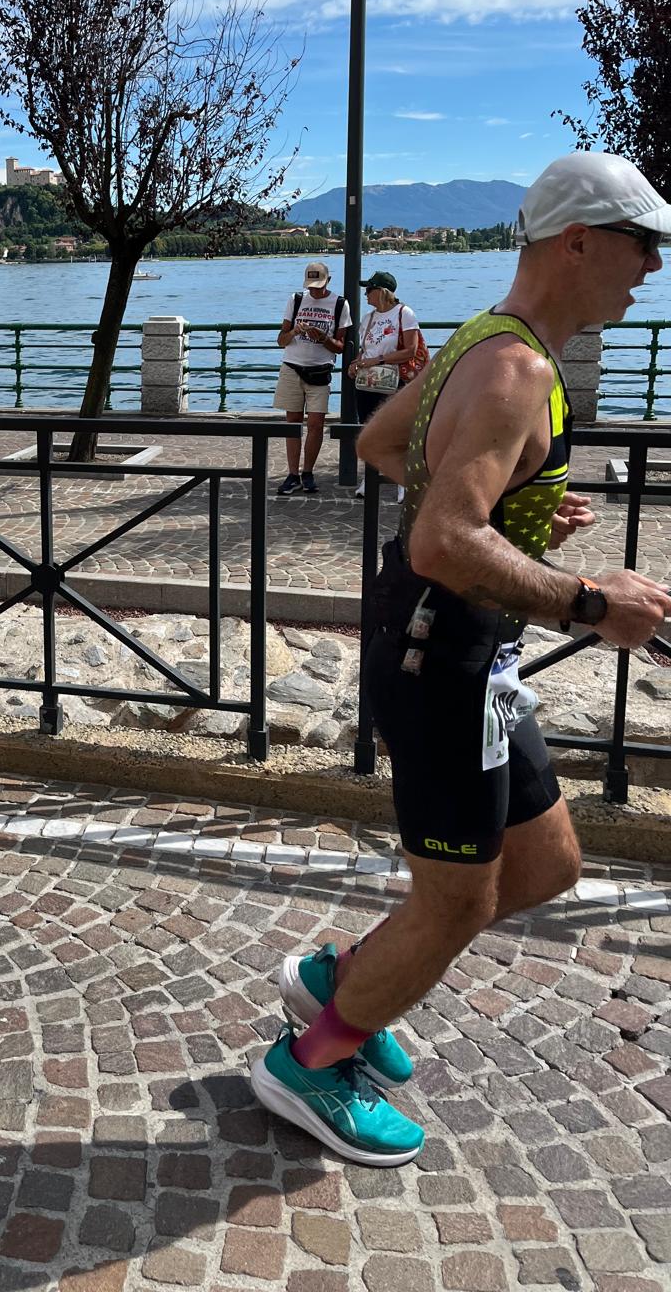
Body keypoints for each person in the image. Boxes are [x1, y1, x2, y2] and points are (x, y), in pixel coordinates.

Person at [253, 150, 671, 1167]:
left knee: (547, 864)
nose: (654, 268)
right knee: (462, 898)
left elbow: (383, 446)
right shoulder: (514, 367)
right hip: (438, 655)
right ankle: (311, 1061)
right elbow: (443, 539)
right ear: (579, 242)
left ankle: (343, 981)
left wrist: (514, 512)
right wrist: (591, 601)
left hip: (474, 654)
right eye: (644, 243)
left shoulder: (487, 341)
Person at [274, 261, 351, 495]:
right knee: (292, 421)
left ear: (329, 281)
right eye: (311, 287)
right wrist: (295, 331)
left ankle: (308, 472)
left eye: (318, 286)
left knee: (316, 424)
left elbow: (340, 346)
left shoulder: (339, 304)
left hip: (320, 369)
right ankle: (292, 474)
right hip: (292, 366)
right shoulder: (296, 300)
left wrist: (323, 338)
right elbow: (281, 340)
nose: (314, 291)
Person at [349, 270, 422, 500]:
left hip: (394, 379)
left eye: (369, 290)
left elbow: (410, 350)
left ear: (382, 292)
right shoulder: (368, 318)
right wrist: (356, 363)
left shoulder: (404, 313)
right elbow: (365, 349)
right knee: (369, 428)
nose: (366, 294)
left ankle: (403, 481)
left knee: (399, 430)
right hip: (368, 381)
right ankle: (369, 477)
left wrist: (378, 360)